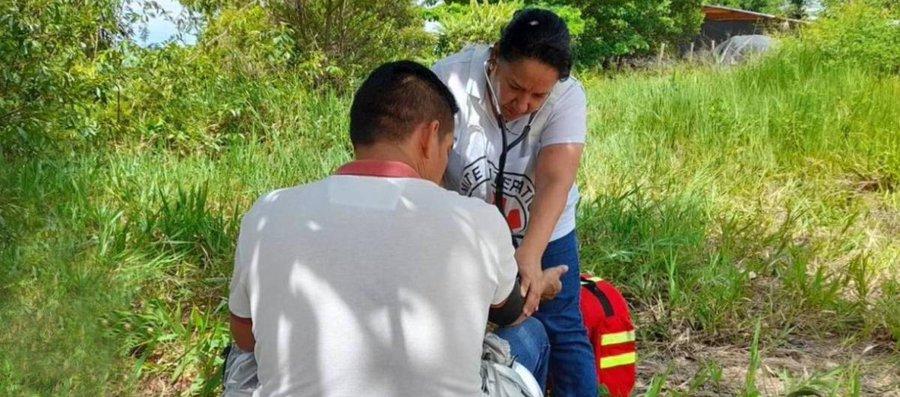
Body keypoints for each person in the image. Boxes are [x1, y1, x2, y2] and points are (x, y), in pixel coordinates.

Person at [226, 60, 567, 396]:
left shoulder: (268, 212)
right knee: (530, 335)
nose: (443, 165)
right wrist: (542, 285)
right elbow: (508, 312)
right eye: (447, 150)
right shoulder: (476, 220)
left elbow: (245, 338)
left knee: (239, 360)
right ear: (429, 135)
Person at [432, 8, 598, 396]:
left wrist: (530, 255)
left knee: (561, 327)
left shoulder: (569, 96)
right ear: (494, 58)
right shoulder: (449, 80)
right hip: (467, 224)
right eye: (514, 87)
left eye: (538, 95)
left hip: (543, 223)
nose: (523, 104)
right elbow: (430, 168)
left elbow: (557, 176)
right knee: (464, 321)